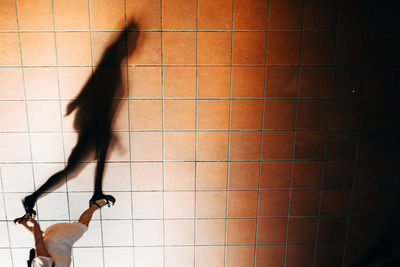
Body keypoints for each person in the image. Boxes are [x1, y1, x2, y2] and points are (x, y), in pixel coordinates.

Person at [16, 198, 114, 267]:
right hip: (54, 247)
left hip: (59, 239)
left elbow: (39, 244)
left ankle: (95, 204)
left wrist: (35, 225)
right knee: (45, 237)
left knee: (82, 226)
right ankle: (23, 222)